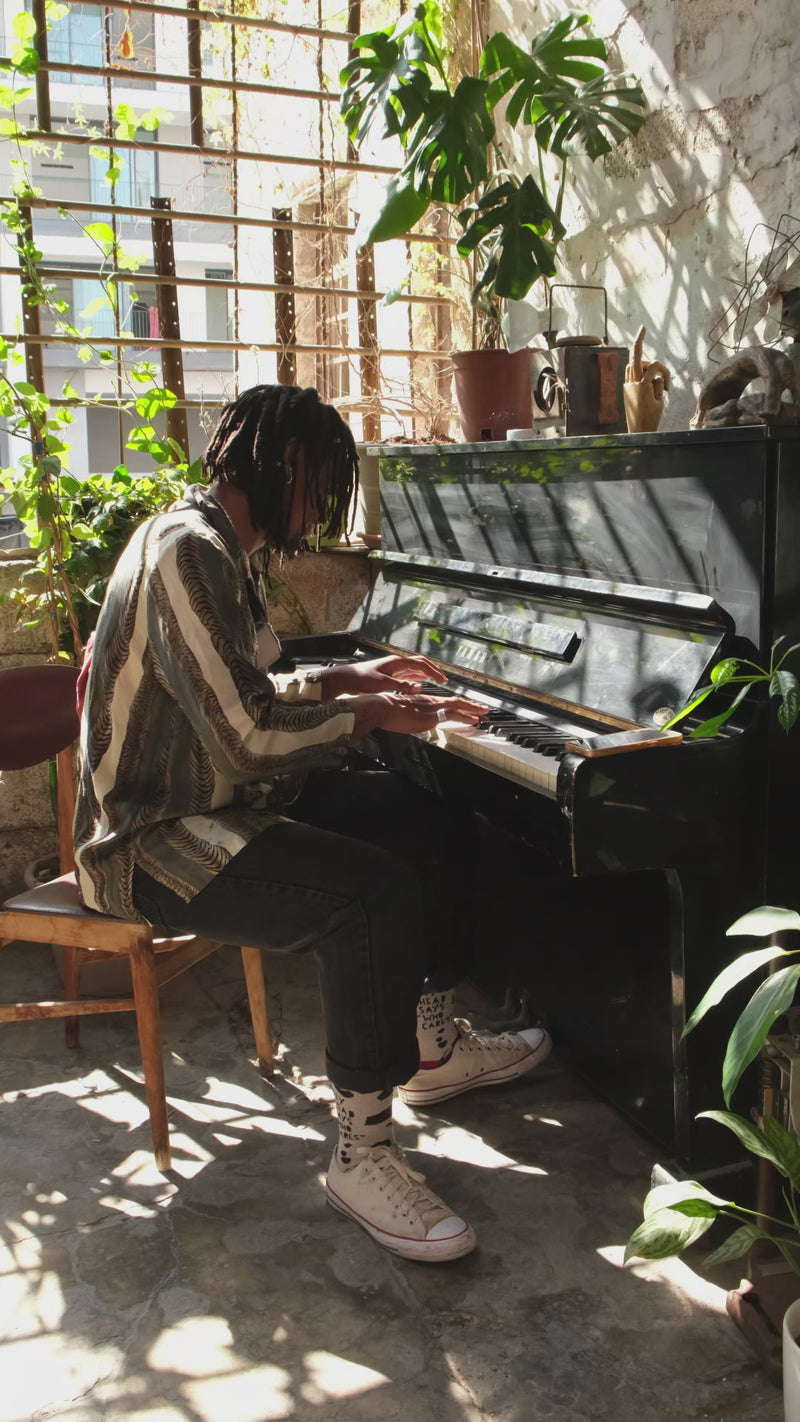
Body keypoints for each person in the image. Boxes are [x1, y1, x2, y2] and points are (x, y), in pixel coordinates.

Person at [74, 384, 551, 1263]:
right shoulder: (186, 551)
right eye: (324, 483)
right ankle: (361, 1152)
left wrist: (344, 683)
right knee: (366, 896)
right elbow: (248, 737)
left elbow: (245, 693)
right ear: (284, 462)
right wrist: (368, 715)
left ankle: (431, 1045)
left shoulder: (222, 546)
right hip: (155, 839)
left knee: (427, 819)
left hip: (224, 797)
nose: (325, 508)